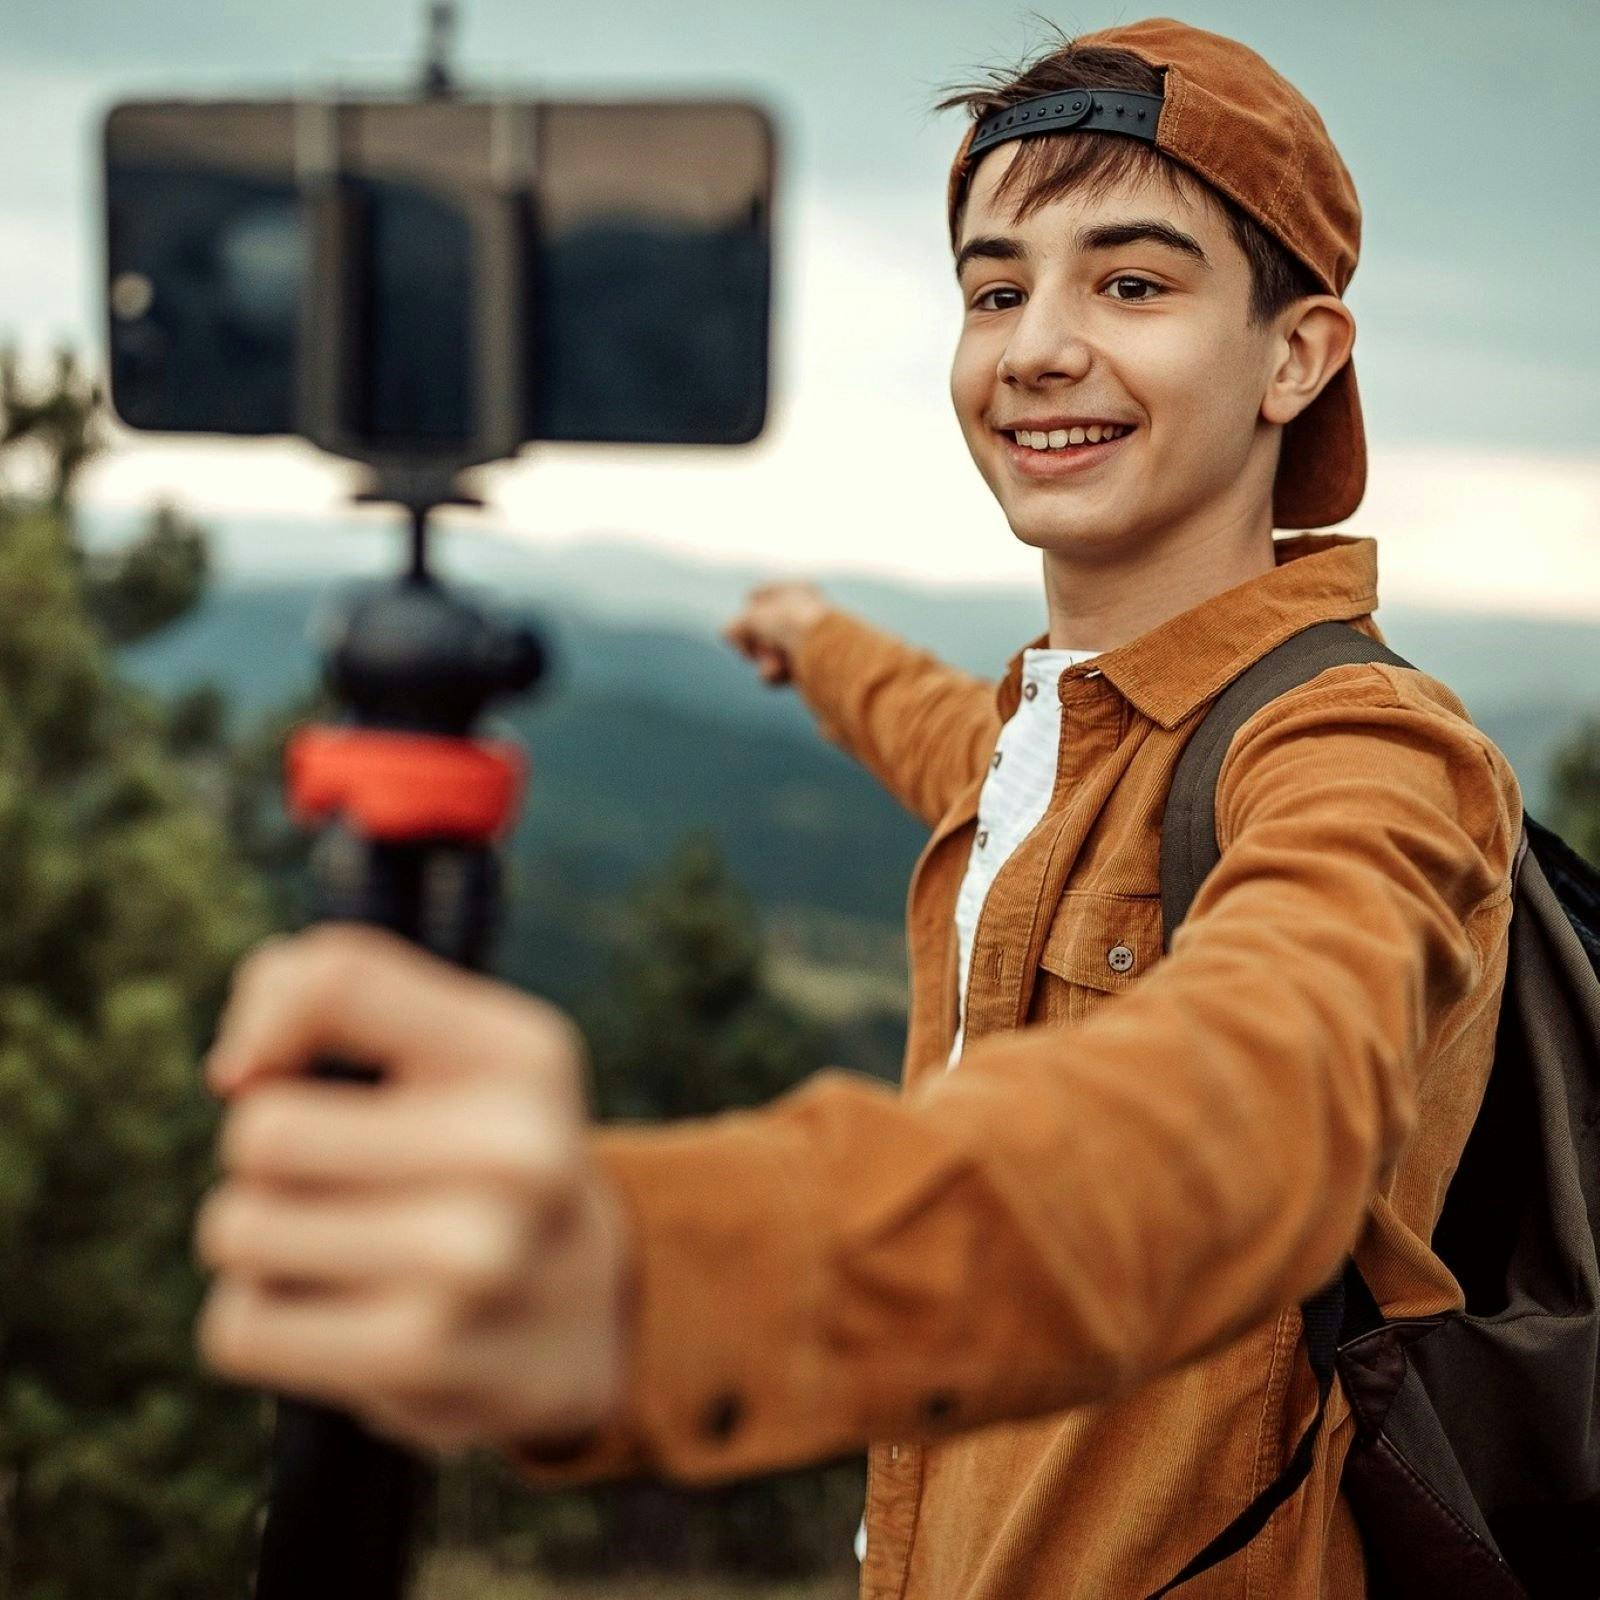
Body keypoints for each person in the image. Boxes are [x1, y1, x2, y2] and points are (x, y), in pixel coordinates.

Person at [194, 17, 1524, 1598]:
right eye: (996, 290)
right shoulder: (1064, 737)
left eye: (1133, 284)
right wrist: (817, 643)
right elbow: (959, 739)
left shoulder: (1367, 752)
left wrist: (653, 1274)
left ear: (1297, 355)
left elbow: (1257, 1111)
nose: (1037, 348)